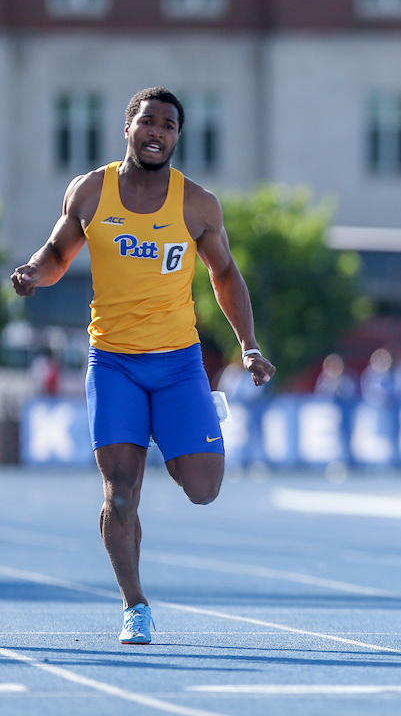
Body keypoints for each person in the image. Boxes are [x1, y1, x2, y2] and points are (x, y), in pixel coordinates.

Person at [10, 87, 274, 645]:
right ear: (128, 128)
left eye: (169, 126)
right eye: (148, 122)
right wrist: (33, 272)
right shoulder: (90, 191)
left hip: (178, 365)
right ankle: (135, 605)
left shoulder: (197, 204)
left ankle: (182, 430)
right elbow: (57, 254)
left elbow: (225, 276)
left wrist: (247, 344)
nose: (158, 132)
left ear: (178, 137)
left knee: (203, 488)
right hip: (113, 364)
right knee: (121, 490)